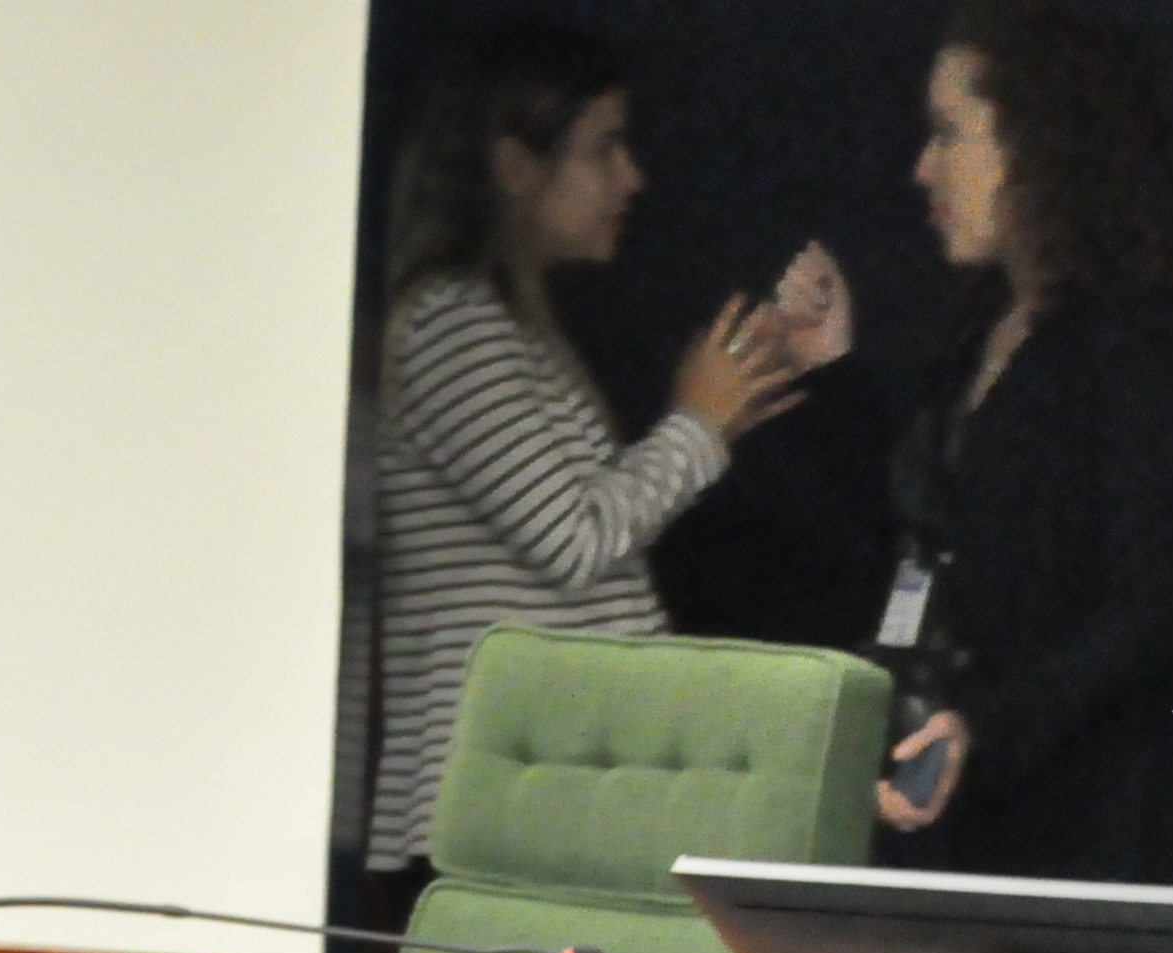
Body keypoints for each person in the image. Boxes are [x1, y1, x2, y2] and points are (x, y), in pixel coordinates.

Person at [361, 20, 848, 899]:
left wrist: (733, 393)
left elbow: (589, 531)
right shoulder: (453, 324)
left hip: (535, 804)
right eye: (604, 148)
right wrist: (698, 423)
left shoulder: (508, 330)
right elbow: (576, 538)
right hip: (484, 813)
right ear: (515, 166)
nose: (632, 178)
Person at [867, 0, 1173, 884]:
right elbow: (928, 532)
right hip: (947, 790)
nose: (923, 169)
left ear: (1037, 146)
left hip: (1082, 822)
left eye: (950, 135)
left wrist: (993, 727)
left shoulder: (1139, 345)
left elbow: (1153, 606)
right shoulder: (975, 329)